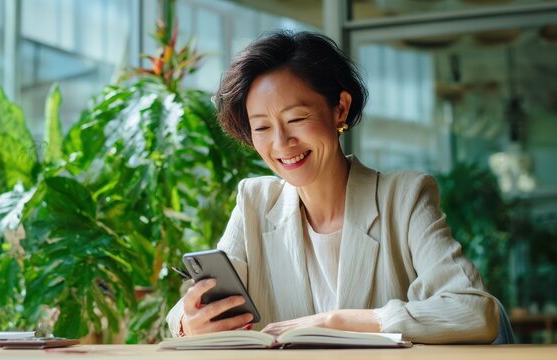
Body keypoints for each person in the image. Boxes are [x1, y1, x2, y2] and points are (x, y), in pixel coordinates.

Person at [166, 30, 499, 344]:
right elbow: (188, 311)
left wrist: (337, 322)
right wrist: (188, 321)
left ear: (340, 108)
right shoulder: (255, 202)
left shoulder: (405, 197)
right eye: (262, 127)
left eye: (296, 119)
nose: (281, 143)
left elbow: (474, 312)